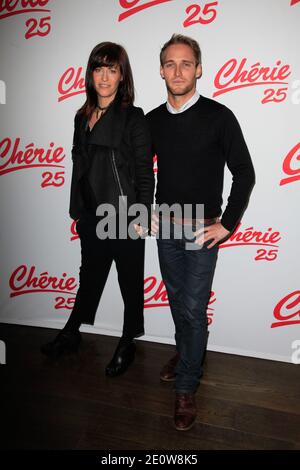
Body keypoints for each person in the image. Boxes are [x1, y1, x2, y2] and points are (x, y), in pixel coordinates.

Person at [147, 34, 255, 431]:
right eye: (171, 64)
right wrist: (143, 210)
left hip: (201, 230)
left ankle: (187, 386)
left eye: (186, 63)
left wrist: (227, 224)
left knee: (193, 308)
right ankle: (189, 353)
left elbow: (245, 172)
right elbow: (138, 172)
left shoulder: (219, 116)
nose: (178, 71)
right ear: (161, 70)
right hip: (166, 227)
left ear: (199, 69)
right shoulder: (152, 120)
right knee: (178, 302)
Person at [41, 42, 154, 377]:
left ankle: (127, 341)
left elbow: (145, 173)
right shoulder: (81, 117)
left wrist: (142, 215)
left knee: (129, 282)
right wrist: (78, 212)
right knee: (88, 278)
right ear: (90, 73)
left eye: (112, 69)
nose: (105, 76)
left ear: (122, 76)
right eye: (99, 68)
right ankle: (72, 331)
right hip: (92, 216)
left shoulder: (133, 117)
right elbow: (80, 168)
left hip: (124, 217)